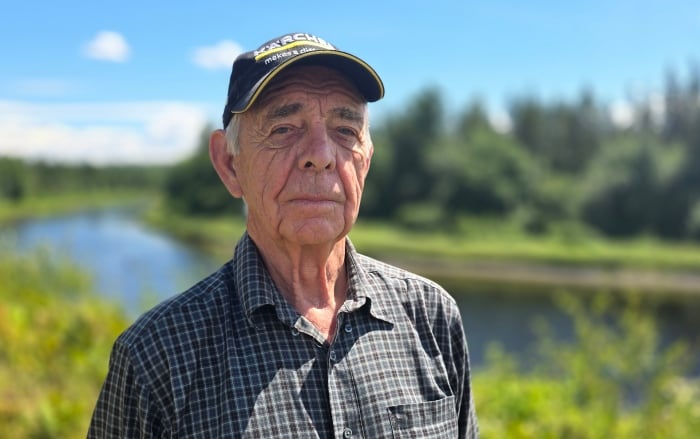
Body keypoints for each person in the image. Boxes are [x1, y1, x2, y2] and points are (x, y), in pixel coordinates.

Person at [88, 32, 478, 438]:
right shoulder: (157, 356)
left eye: (346, 130)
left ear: (366, 160)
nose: (321, 156)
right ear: (228, 163)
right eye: (284, 128)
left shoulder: (431, 316)